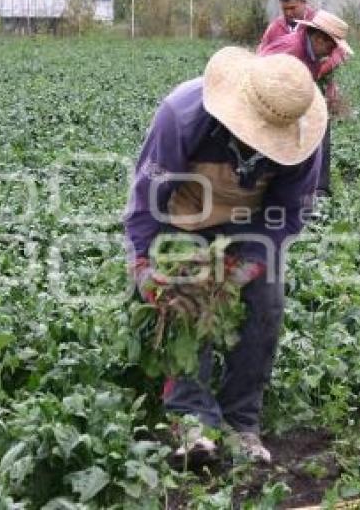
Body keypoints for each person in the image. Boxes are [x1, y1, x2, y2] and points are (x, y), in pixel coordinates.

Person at [124, 47, 328, 464]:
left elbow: (287, 215)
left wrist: (243, 267)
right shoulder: (182, 116)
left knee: (265, 304)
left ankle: (242, 422)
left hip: (250, 223)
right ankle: (191, 418)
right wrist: (144, 267)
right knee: (187, 298)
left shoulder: (304, 137)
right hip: (182, 215)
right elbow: (146, 200)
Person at [258, 9, 353, 197]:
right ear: (319, 39)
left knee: (320, 124)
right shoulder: (291, 51)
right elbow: (260, 78)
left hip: (287, 102)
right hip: (264, 101)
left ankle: (318, 188)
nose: (332, 52)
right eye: (331, 46)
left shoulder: (312, 53)